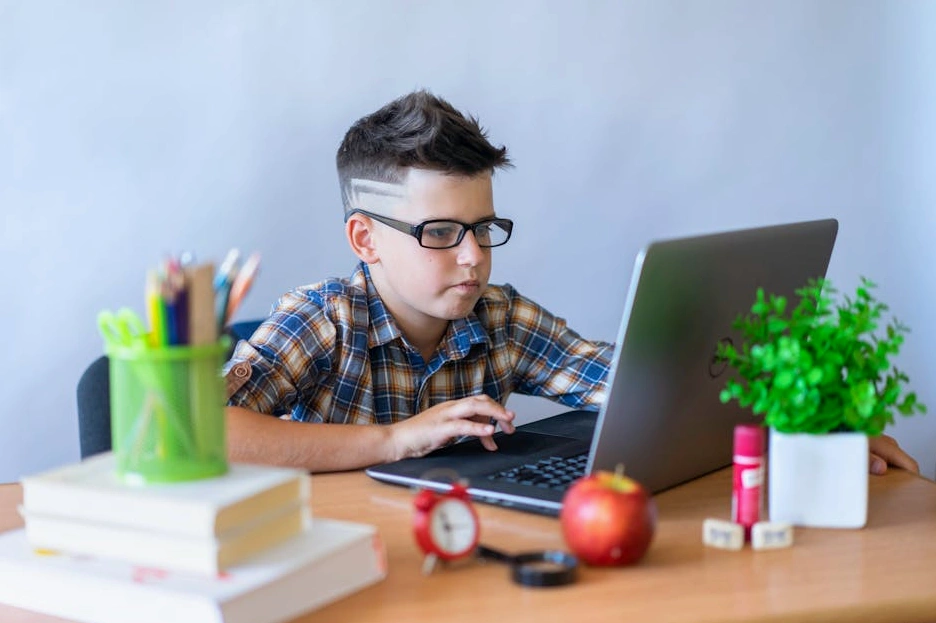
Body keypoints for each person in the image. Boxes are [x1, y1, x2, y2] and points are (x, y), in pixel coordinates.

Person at [224, 90, 919, 477]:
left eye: (483, 228)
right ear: (365, 239)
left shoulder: (499, 319)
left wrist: (819, 427)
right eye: (440, 232)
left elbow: (640, 385)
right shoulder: (323, 319)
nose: (472, 257)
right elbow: (205, 433)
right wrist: (394, 440)